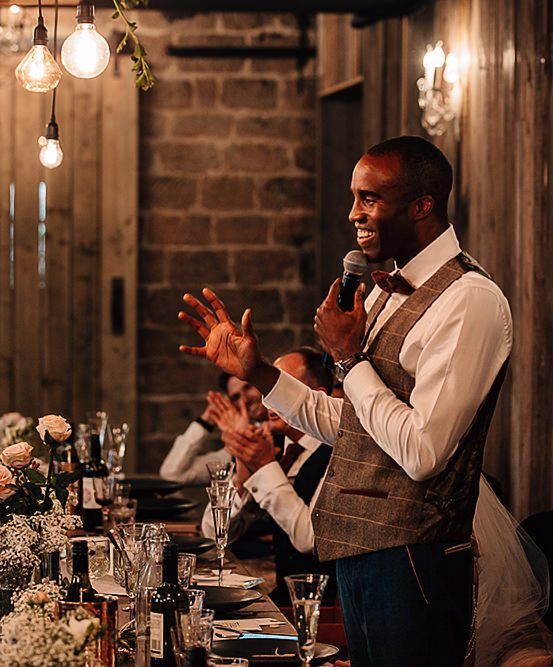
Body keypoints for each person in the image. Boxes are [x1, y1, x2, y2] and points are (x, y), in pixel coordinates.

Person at [177, 136, 512, 667]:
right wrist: (259, 373)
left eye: (370, 199)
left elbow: (424, 452)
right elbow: (355, 424)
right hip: (355, 555)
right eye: (354, 197)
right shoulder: (380, 288)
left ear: (422, 205)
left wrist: (349, 359)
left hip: (413, 561)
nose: (353, 212)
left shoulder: (469, 300)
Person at [200, 347, 337, 604]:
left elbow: (308, 539)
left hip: (320, 606)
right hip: (281, 597)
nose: (268, 401)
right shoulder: (270, 443)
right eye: (268, 389)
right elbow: (211, 533)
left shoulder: (336, 452)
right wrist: (242, 476)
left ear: (316, 398)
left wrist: (264, 467)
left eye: (283, 390)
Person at [159, 373, 267, 485]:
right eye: (236, 397)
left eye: (248, 387)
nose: (245, 399)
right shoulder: (232, 453)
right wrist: (206, 420)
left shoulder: (283, 428)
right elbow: (173, 474)